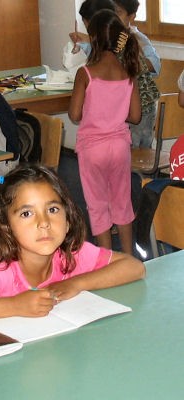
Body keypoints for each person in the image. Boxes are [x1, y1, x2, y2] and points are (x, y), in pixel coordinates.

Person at [0, 165, 145, 324]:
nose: (44, 223)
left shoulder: (71, 256)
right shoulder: (1, 273)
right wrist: (15, 305)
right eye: (27, 213)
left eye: (52, 210)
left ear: (68, 221)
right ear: (6, 227)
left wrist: (76, 284)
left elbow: (134, 267)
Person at [68, 10, 141, 255]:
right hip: (120, 147)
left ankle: (107, 260)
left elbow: (74, 115)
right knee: (123, 202)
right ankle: (129, 258)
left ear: (95, 39)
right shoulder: (128, 72)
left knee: (98, 205)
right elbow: (135, 116)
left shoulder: (85, 74)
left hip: (93, 149)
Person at [114, 0, 161, 148]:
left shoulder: (138, 38)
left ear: (131, 16)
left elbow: (155, 67)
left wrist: (133, 53)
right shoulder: (109, 37)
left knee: (138, 148)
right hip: (120, 105)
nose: (114, 16)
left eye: (119, 12)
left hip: (142, 107)